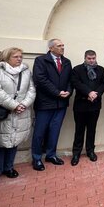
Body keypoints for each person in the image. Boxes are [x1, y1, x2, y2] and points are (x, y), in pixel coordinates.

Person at [0, 47, 36, 185]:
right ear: (6, 57)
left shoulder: (26, 71)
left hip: (21, 112)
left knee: (14, 141)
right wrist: (14, 105)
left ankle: (9, 167)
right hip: (3, 112)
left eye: (21, 56)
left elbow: (32, 89)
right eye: (16, 56)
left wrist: (24, 104)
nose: (19, 59)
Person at [31, 39, 72, 171]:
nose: (62, 48)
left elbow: (70, 80)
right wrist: (57, 92)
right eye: (59, 46)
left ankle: (51, 155)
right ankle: (36, 158)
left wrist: (69, 92)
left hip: (61, 103)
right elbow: (40, 79)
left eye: (63, 45)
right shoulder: (41, 60)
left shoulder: (66, 62)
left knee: (55, 130)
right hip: (45, 103)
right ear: (51, 48)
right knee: (39, 132)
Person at [70, 50, 104, 166]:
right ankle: (76, 153)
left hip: (95, 105)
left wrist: (96, 94)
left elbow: (103, 83)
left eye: (93, 58)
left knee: (92, 129)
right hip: (81, 105)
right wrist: (88, 92)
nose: (91, 61)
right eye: (89, 58)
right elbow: (76, 83)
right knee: (79, 130)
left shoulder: (100, 69)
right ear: (85, 58)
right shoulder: (77, 69)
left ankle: (90, 151)